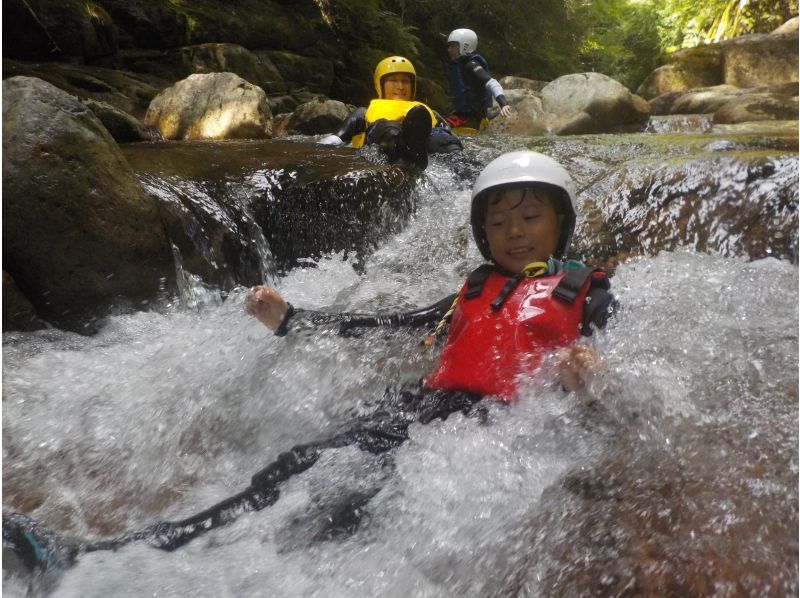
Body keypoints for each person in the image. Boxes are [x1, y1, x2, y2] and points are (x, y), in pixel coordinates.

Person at [3, 151, 615, 573]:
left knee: (356, 496)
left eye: (530, 218)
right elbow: (383, 325)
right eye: (499, 221)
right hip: (429, 406)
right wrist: (294, 320)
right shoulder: (470, 290)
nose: (514, 233)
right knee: (299, 464)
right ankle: (115, 555)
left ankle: (267, 570)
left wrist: (585, 382)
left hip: (496, 427)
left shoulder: (589, 293)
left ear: (559, 222)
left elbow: (619, 375)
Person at [319, 56, 463, 168]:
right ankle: (403, 148)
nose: (400, 86)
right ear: (379, 84)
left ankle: (458, 164)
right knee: (388, 128)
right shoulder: (364, 112)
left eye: (405, 81)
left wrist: (452, 145)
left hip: (425, 143)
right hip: (389, 142)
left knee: (442, 138)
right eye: (393, 81)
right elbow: (336, 138)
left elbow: (450, 134)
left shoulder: (425, 112)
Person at [446, 28, 513, 133]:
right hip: (462, 115)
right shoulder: (458, 65)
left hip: (472, 118)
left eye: (453, 46)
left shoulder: (471, 65)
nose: (449, 49)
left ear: (465, 46)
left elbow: (492, 83)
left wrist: (503, 103)